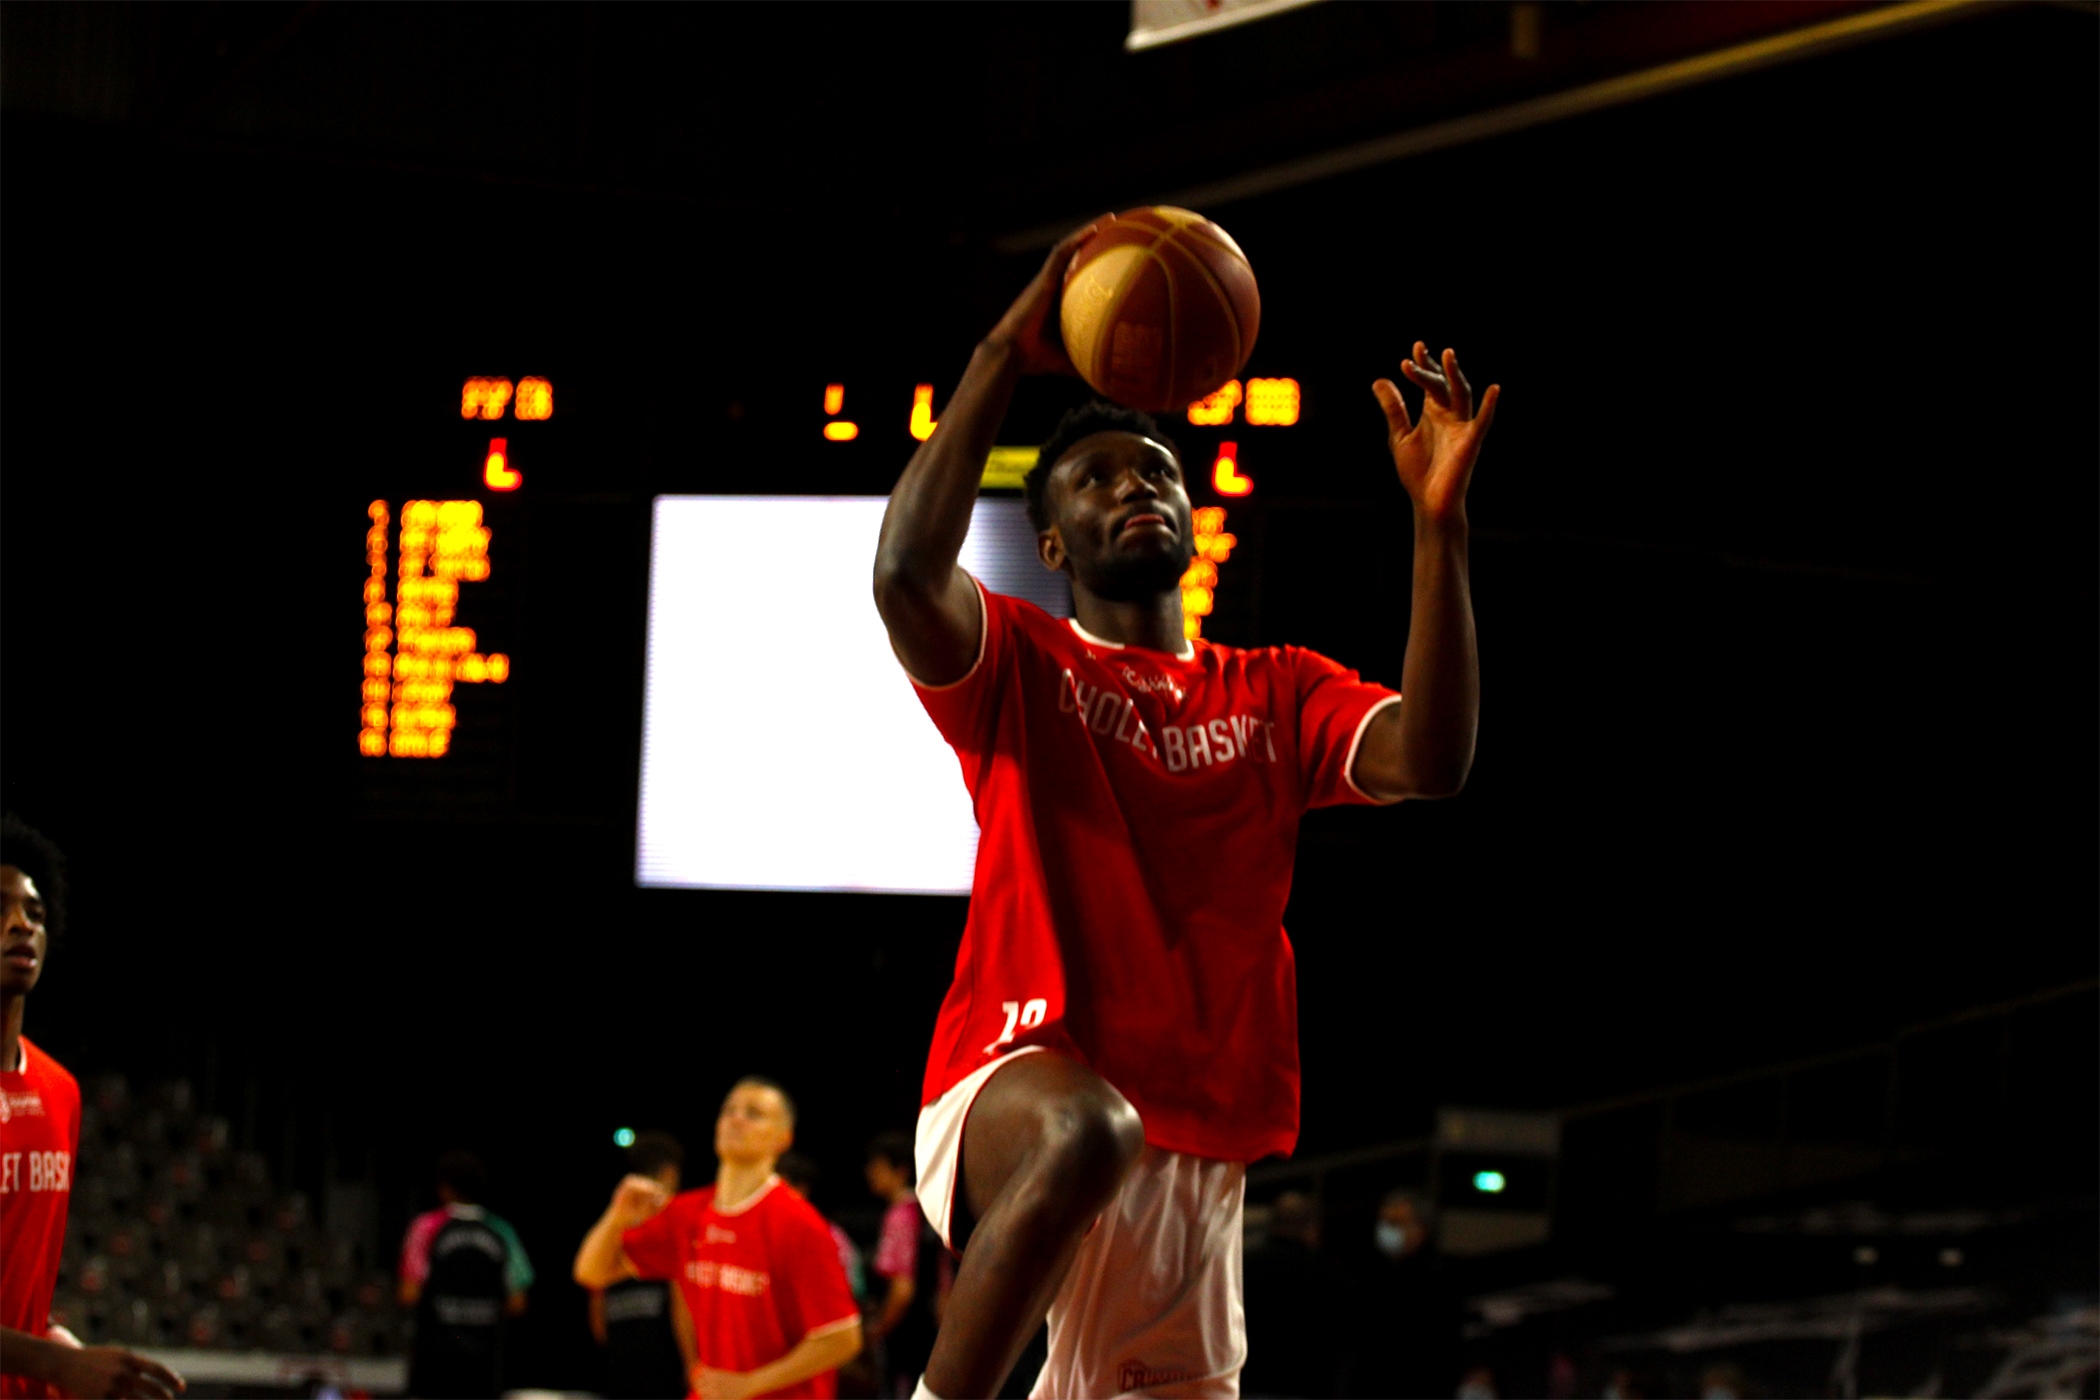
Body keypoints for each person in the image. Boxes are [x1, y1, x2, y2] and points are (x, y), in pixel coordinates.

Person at [871, 217, 1496, 1398]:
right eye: (1098, 481)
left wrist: (1439, 527)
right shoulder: (1019, 659)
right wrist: (1010, 345)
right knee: (1086, 1130)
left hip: (1197, 1128)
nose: (1133, 487)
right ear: (1052, 541)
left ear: (1191, 517)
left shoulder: (1277, 688)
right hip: (1019, 1083)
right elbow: (904, 570)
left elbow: (1435, 756)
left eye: (1152, 472)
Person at [0, 815, 185, 1400]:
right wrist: (58, 1368)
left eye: (34, 912)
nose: (20, 925)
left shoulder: (60, 1091)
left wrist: (56, 1344)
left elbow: (24, 1291)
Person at [574, 1078, 863, 1400]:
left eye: (753, 1113)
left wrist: (748, 1384)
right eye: (729, 1110)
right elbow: (591, 1272)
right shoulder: (687, 1213)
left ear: (783, 1138)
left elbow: (843, 1338)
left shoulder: (799, 1224)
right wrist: (617, 1215)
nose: (735, 1119)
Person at [398, 1150, 534, 1398]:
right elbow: (518, 1303)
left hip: (435, 1365)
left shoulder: (426, 1228)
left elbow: (409, 1294)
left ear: (444, 1188)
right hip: (484, 1365)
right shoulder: (501, 1231)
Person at [590, 1132, 697, 1400]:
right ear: (670, 1172)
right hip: (663, 1352)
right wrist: (692, 1361)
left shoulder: (617, 1217)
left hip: (621, 1350)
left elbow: (594, 1290)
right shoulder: (671, 1217)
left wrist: (611, 1344)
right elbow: (680, 1297)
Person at [864, 1133, 940, 1397]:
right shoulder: (928, 1211)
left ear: (900, 1170)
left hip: (905, 1334)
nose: (870, 1174)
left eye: (877, 1167)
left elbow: (902, 1288)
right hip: (930, 1330)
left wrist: (878, 1329)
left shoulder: (900, 1216)